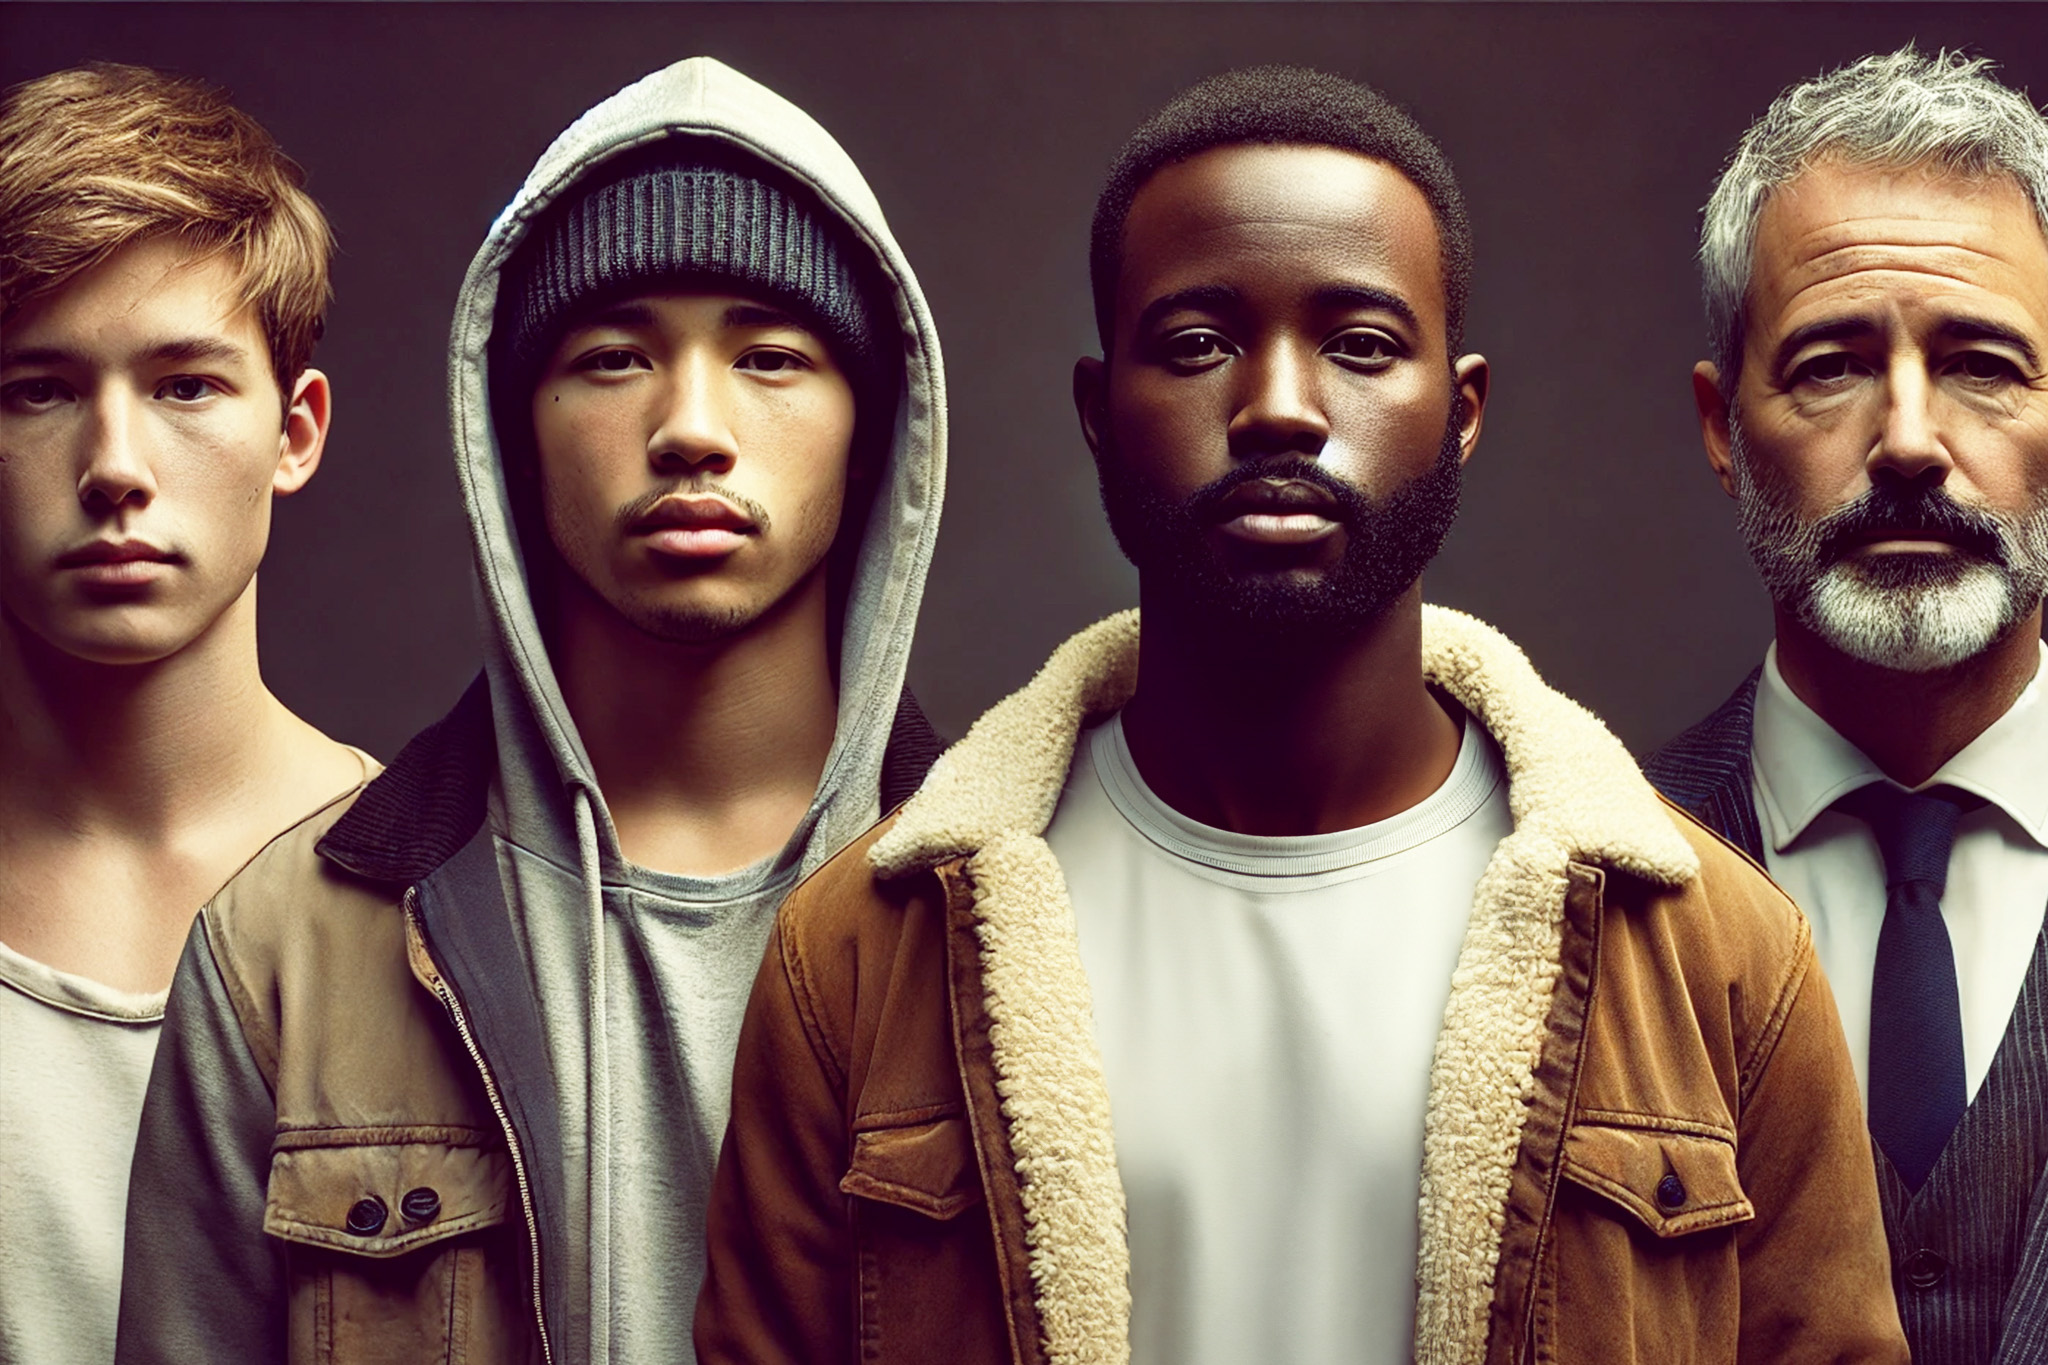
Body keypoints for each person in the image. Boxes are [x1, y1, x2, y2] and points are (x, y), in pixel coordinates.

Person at [698, 64, 1904, 1365]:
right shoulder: (859, 956)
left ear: (1463, 412)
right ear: (1100, 418)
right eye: (1199, 343)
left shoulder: (1721, 958)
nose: (1278, 403)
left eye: (1363, 345)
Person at [115, 56, 947, 1363]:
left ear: (874, 425)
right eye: (613, 357)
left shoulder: (1027, 912)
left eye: (773, 355)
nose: (690, 426)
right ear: (511, 433)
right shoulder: (286, 953)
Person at [1647, 47, 2048, 1364]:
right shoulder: (1592, 883)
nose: (1912, 440)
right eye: (1830, 365)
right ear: (1722, 428)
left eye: (1986, 362)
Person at [0, 62, 369, 1365]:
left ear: (297, 429)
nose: (113, 467)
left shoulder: (438, 899)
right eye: (37, 388)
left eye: (185, 385)